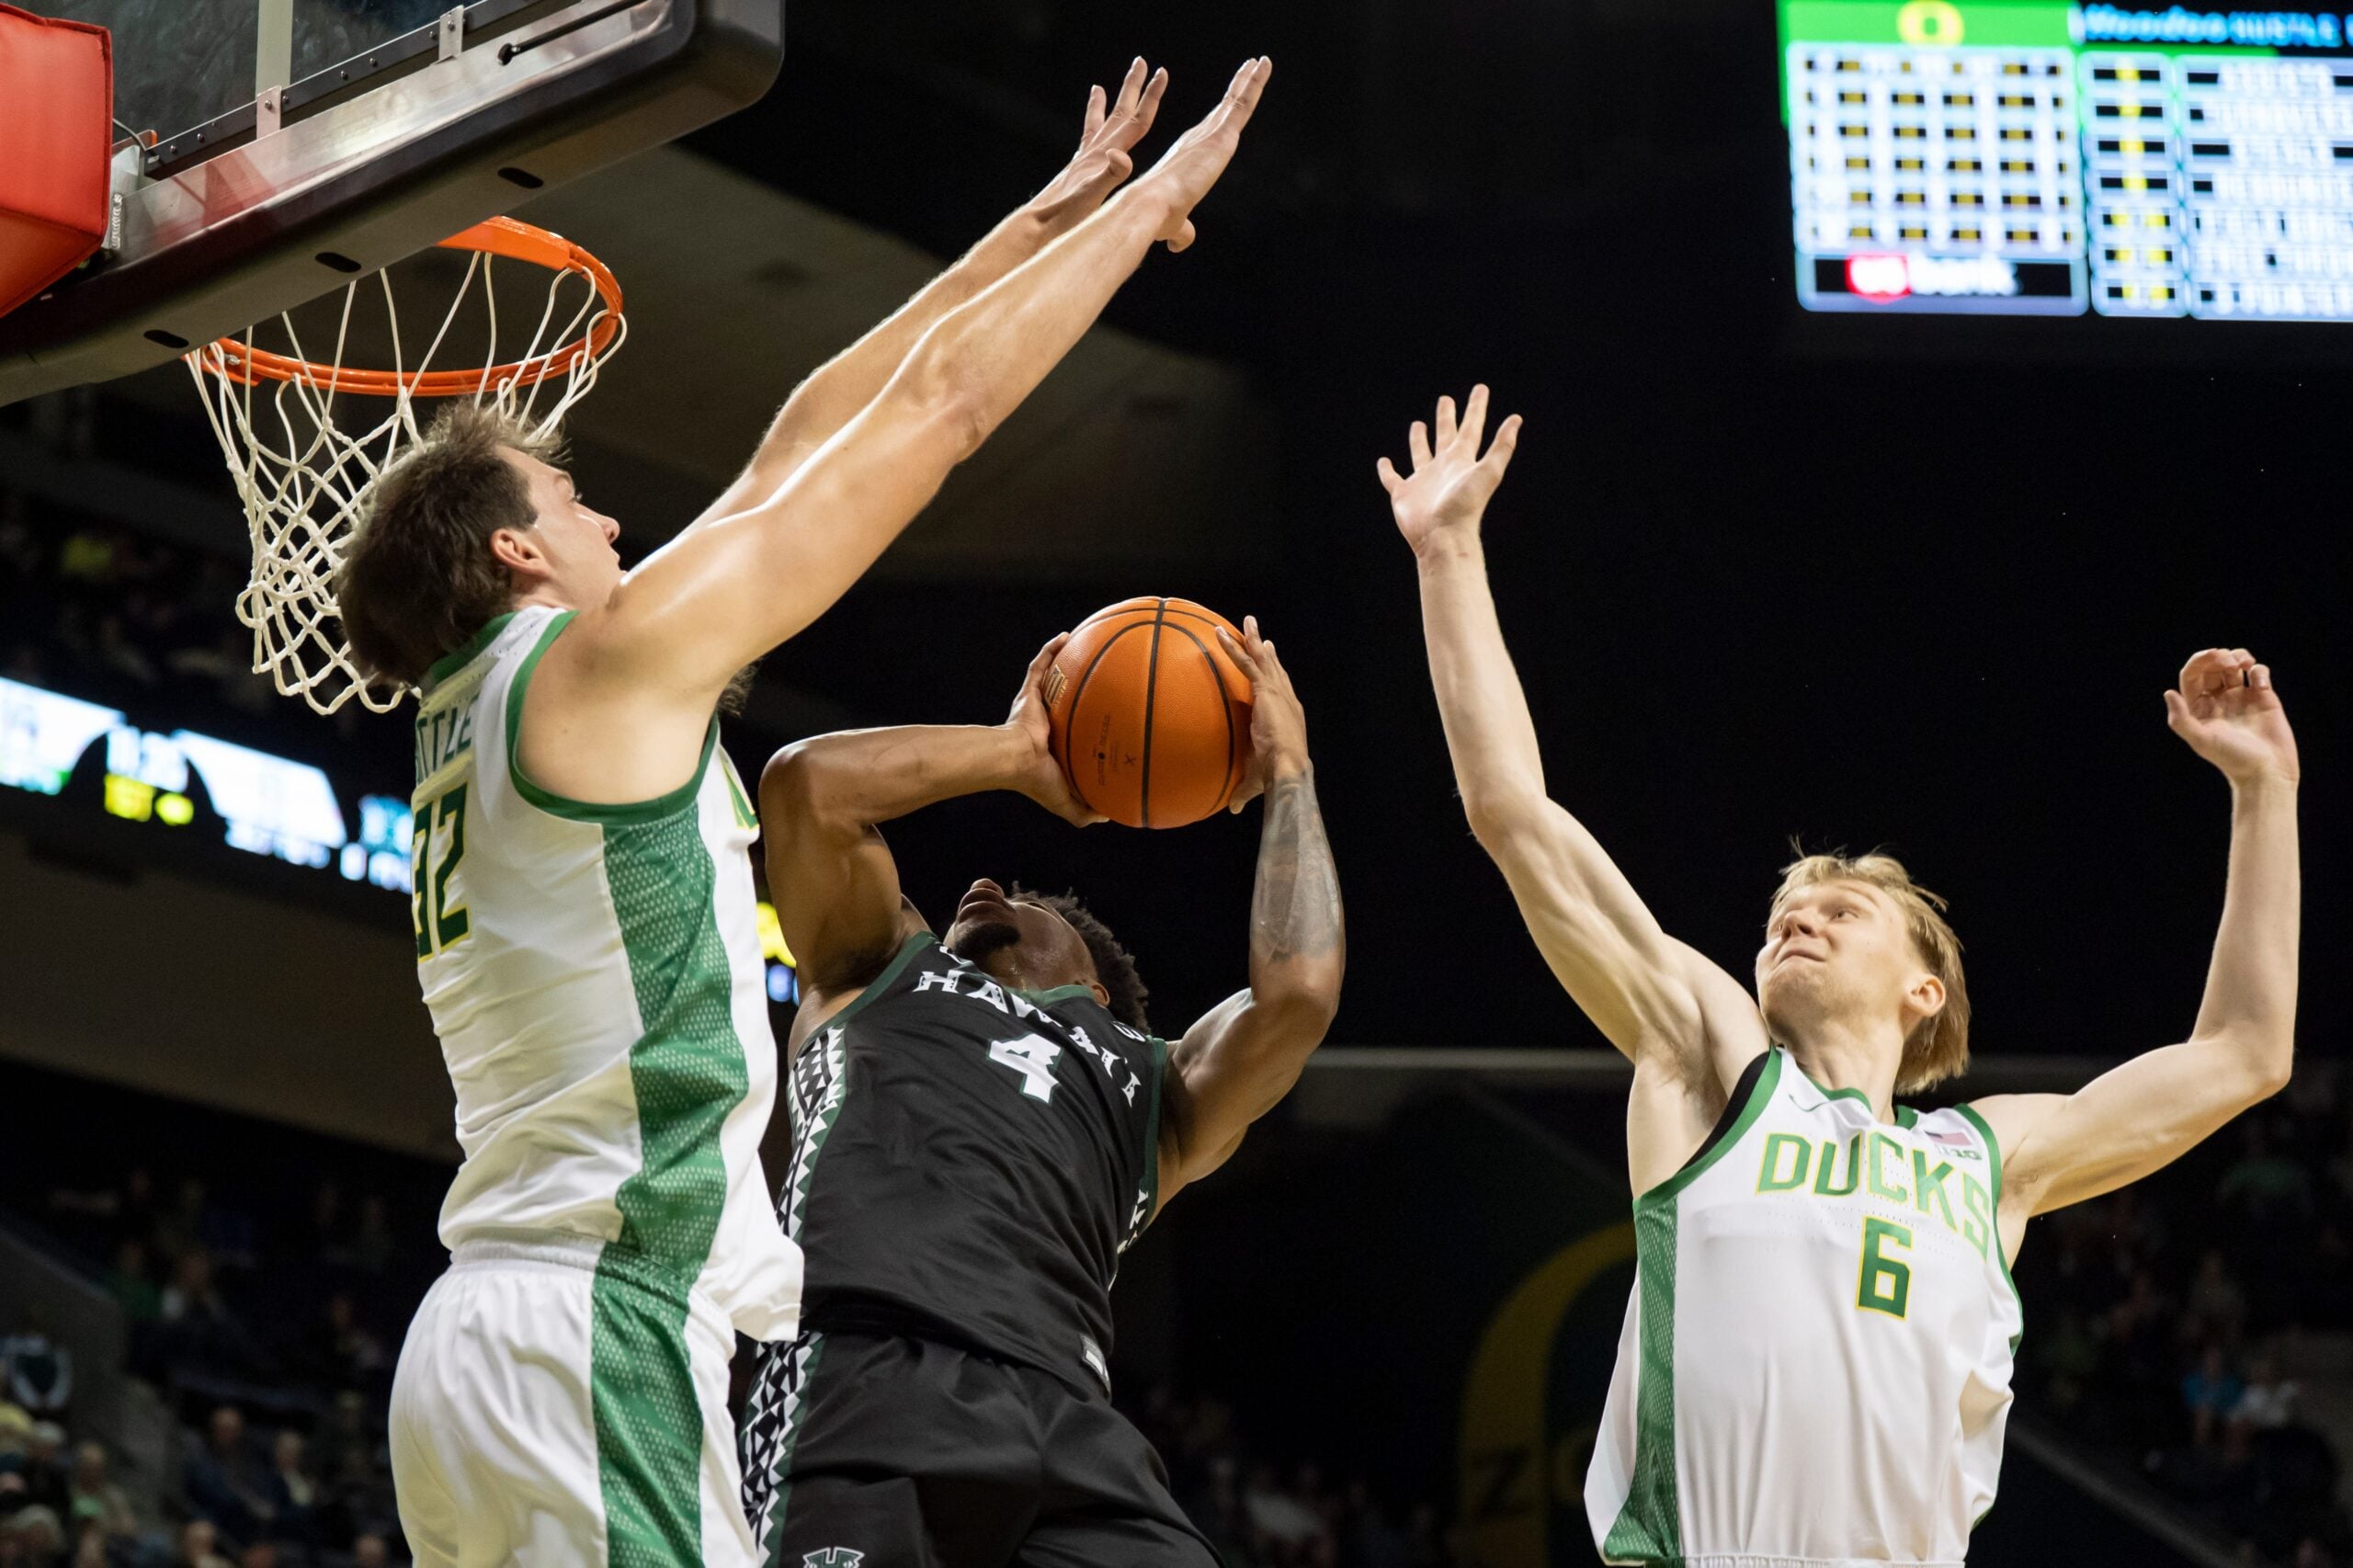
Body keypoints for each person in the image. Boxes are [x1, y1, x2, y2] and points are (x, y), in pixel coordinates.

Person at [363, 53, 1275, 1568]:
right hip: (593, 1329)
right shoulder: (594, 671)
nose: (608, 517)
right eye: (570, 502)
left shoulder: (489, 715)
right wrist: (1151, 213)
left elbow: (793, 449)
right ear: (521, 558)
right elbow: (944, 411)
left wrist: (1036, 223)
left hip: (482, 1352)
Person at [1378, 386, 2302, 1566]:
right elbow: (1514, 814)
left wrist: (2262, 793)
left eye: (1842, 908)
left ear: (1926, 992)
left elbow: (2244, 1053)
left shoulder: (1986, 1161)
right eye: (1782, 910)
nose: (1794, 916)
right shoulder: (1713, 1064)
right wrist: (1448, 555)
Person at [738, 623, 1342, 1566]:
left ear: (1096, 985)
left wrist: (1292, 767)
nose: (979, 885)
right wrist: (1016, 752)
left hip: (1069, 1420)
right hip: (866, 1376)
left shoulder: (1155, 1085)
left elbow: (1299, 993)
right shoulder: (876, 969)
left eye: (1024, 902)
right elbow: (803, 785)